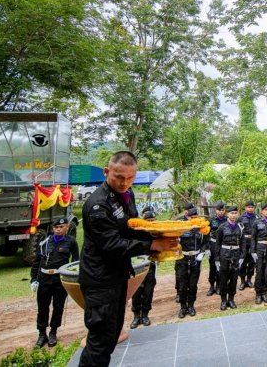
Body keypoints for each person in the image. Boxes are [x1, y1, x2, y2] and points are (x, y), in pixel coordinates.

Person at [78, 151, 176, 367]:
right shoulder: (98, 205)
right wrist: (152, 244)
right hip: (100, 280)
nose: (124, 182)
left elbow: (131, 227)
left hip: (117, 275)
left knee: (110, 336)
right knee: (100, 342)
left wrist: (157, 233)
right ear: (106, 172)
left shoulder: (126, 194)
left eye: (130, 178)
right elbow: (112, 245)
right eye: (119, 177)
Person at [30, 217, 79, 348]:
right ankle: (41, 334)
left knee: (58, 306)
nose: (58, 229)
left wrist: (73, 279)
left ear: (67, 228)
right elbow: (36, 262)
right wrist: (33, 279)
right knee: (42, 307)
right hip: (44, 279)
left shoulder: (71, 242)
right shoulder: (45, 242)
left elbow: (75, 262)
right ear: (52, 229)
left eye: (61, 227)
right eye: (56, 227)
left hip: (59, 280)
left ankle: (53, 332)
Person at [175, 207, 207, 318]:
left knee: (193, 285)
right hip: (182, 259)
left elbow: (205, 242)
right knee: (183, 285)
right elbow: (174, 242)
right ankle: (183, 307)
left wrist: (201, 253)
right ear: (187, 217)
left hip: (195, 259)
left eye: (195, 217)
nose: (194, 219)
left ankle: (191, 306)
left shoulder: (201, 228)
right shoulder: (181, 228)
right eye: (191, 217)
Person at [130, 210, 157, 329]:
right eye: (148, 221)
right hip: (138, 266)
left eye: (152, 220)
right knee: (136, 292)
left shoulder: (156, 233)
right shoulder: (137, 233)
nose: (151, 223)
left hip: (150, 265)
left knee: (148, 291)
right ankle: (136, 316)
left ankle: (145, 315)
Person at [215, 205, 243, 310]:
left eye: (235, 213)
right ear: (227, 214)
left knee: (234, 278)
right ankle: (223, 301)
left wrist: (242, 256)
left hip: (236, 255)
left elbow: (243, 242)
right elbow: (217, 243)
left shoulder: (240, 226)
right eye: (231, 213)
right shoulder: (222, 227)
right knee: (223, 278)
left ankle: (231, 299)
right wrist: (217, 258)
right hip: (224, 255)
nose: (233, 215)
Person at [173, 202, 194, 303]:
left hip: (191, 251)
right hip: (180, 252)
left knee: (191, 275)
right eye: (186, 209)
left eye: (189, 210)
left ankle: (189, 293)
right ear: (184, 210)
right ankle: (178, 292)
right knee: (179, 274)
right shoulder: (179, 220)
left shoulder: (195, 221)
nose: (187, 212)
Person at [206, 201, 227, 296]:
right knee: (213, 266)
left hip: (223, 246)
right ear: (216, 210)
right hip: (213, 245)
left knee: (221, 266)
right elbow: (206, 234)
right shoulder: (211, 220)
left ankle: (219, 285)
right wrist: (207, 248)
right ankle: (211, 286)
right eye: (219, 210)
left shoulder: (227, 220)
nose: (221, 212)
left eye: (223, 210)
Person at [238, 200, 257, 290]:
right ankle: (242, 281)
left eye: (252, 207)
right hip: (243, 243)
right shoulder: (240, 218)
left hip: (253, 243)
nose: (250, 209)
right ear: (245, 208)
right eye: (249, 207)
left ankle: (249, 280)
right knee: (242, 262)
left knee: (252, 262)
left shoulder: (257, 217)